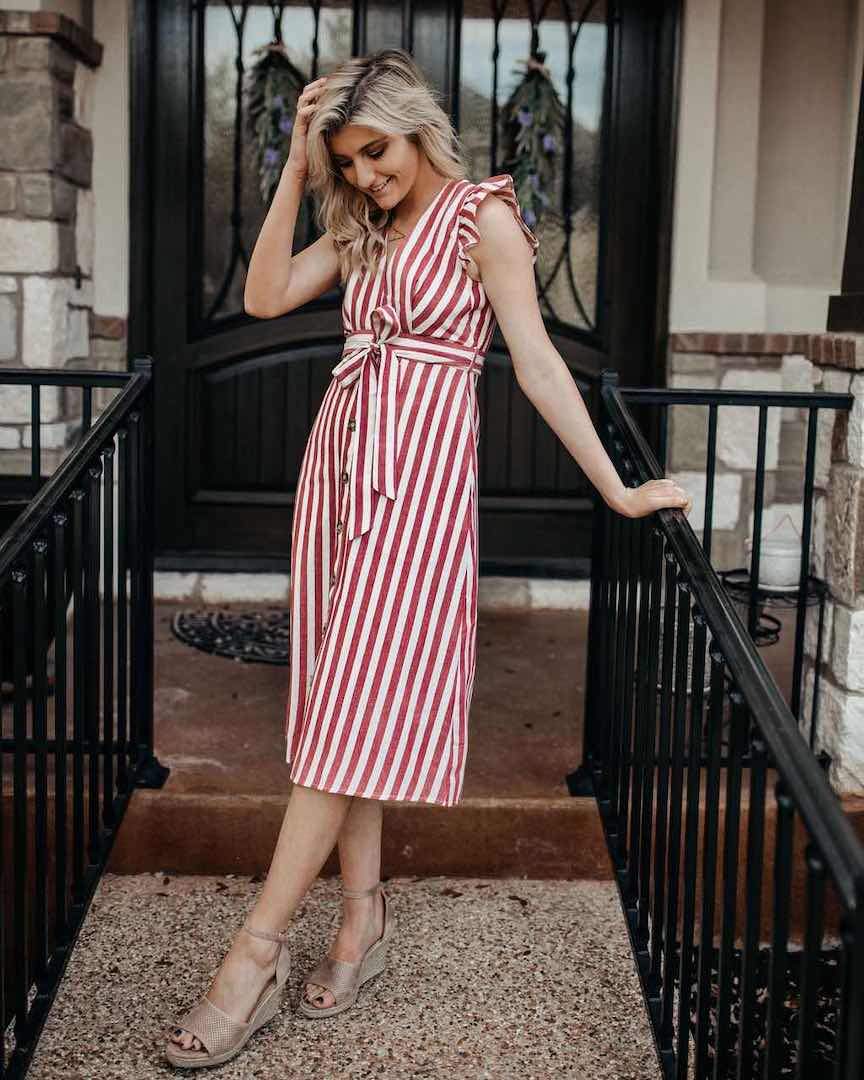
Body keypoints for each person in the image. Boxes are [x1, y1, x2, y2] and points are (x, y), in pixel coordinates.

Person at [164, 47, 693, 1069]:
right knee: (337, 705)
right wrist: (294, 167)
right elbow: (267, 295)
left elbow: (537, 359)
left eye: (377, 153)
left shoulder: (479, 217)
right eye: (349, 162)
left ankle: (253, 956)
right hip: (339, 476)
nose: (368, 175)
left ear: (419, 126)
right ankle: (361, 919)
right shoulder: (366, 225)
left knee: (353, 705)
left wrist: (618, 486)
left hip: (417, 489)